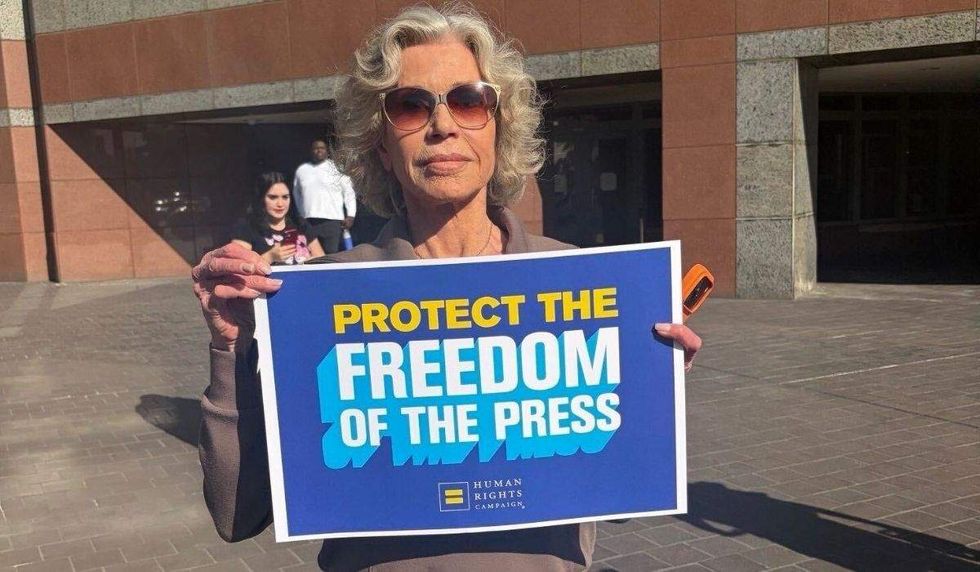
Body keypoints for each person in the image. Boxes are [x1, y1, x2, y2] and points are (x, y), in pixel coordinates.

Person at [192, 5, 702, 570]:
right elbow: (237, 516)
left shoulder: (581, 282)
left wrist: (647, 394)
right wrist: (230, 347)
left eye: (468, 100)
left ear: (499, 126)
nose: (443, 125)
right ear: (381, 144)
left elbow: (619, 499)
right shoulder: (311, 302)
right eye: (410, 106)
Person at [230, 171, 325, 265]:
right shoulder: (246, 227)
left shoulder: (300, 223)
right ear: (261, 198)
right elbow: (238, 266)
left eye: (285, 197)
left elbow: (323, 261)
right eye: (273, 197)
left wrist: (309, 262)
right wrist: (270, 256)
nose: (280, 204)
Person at [293, 138, 357, 254]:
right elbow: (297, 194)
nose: (319, 151)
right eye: (316, 148)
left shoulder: (336, 169)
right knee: (310, 257)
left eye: (322, 148)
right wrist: (300, 214)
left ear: (327, 151)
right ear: (311, 151)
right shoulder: (302, 170)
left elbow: (349, 192)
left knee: (330, 256)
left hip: (332, 221)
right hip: (309, 222)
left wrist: (351, 215)